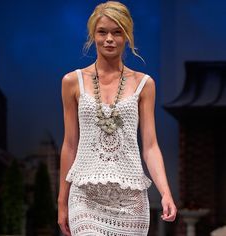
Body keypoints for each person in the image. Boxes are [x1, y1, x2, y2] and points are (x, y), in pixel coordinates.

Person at [58, 1, 177, 235]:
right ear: (93, 35)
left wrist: (165, 192)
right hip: (85, 196)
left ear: (127, 36)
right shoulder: (72, 82)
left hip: (131, 200)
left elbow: (150, 145)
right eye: (102, 32)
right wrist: (62, 202)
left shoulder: (144, 84)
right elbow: (70, 145)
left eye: (117, 32)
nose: (109, 39)